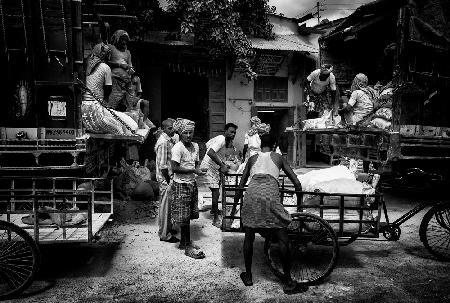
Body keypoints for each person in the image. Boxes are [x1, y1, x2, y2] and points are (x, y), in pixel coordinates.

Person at [233, 134, 307, 294]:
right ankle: (287, 281)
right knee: (283, 240)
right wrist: (300, 204)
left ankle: (249, 276)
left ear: (260, 145)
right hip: (270, 198)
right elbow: (296, 182)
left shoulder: (252, 158)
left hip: (251, 196)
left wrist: (233, 208)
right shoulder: (278, 157)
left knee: (249, 237)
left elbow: (241, 184)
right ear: (274, 144)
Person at [171, 118, 206, 259]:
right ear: (180, 133)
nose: (189, 135)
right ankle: (184, 244)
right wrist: (193, 170)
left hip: (192, 183)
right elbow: (174, 168)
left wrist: (199, 170)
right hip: (180, 184)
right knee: (183, 216)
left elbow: (196, 164)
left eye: (191, 132)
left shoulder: (196, 146)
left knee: (189, 214)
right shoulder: (177, 148)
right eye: (186, 133)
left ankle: (186, 241)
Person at [81, 42, 135, 135]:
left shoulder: (85, 65)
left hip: (82, 108)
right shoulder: (106, 68)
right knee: (128, 127)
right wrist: (105, 102)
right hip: (96, 109)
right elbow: (108, 89)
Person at [200, 123, 238, 228]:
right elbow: (210, 153)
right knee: (215, 192)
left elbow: (208, 145)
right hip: (208, 167)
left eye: (234, 132)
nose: (233, 134)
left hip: (215, 167)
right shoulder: (221, 139)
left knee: (218, 188)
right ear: (225, 131)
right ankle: (215, 218)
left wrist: (223, 164)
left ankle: (214, 209)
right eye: (231, 132)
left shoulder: (224, 141)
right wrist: (222, 164)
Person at [156, 119, 179, 243]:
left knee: (168, 206)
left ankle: (167, 229)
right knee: (165, 207)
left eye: (173, 128)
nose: (172, 130)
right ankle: (164, 234)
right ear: (164, 128)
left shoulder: (168, 140)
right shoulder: (163, 142)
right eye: (169, 128)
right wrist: (169, 180)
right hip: (165, 179)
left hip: (168, 178)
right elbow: (163, 166)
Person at [107, 30, 135, 111]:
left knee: (129, 103)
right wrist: (120, 65)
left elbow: (130, 65)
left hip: (127, 81)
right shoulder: (111, 48)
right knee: (114, 100)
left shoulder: (128, 52)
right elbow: (106, 62)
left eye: (126, 40)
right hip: (116, 79)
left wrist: (131, 69)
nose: (124, 42)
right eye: (122, 39)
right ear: (117, 39)